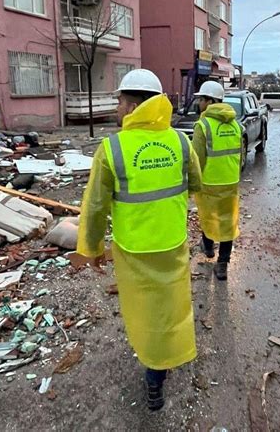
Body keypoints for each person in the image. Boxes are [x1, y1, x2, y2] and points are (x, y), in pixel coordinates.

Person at [75, 69, 202, 411]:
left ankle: (154, 379)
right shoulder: (180, 140)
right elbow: (196, 184)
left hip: (134, 251)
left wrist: (92, 248)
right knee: (171, 310)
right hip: (173, 243)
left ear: (131, 106)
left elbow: (96, 205)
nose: (116, 107)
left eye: (118, 101)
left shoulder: (112, 148)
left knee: (145, 316)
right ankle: (162, 367)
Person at [192, 80, 242, 280]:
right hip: (231, 181)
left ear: (211, 101)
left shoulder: (203, 125)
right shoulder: (236, 125)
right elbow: (238, 155)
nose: (199, 104)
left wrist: (193, 184)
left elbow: (197, 160)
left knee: (208, 217)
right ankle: (222, 264)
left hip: (209, 183)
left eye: (201, 99)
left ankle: (209, 248)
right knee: (227, 222)